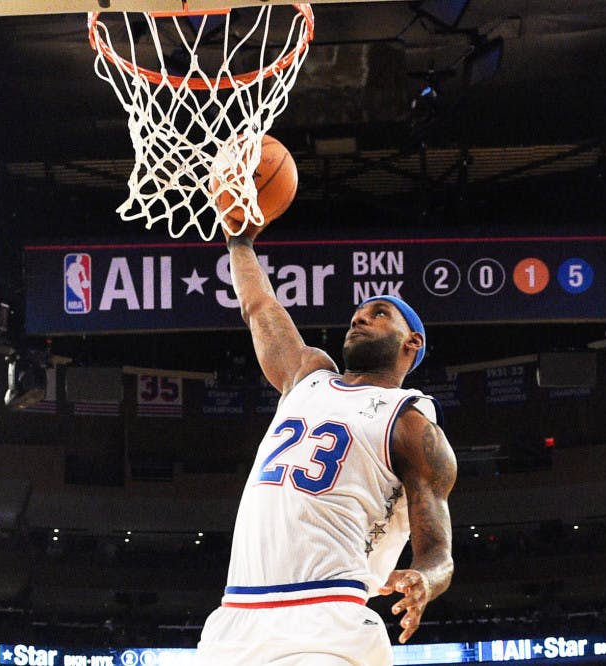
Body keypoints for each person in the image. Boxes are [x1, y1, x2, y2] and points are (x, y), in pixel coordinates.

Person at [195, 219, 457, 665]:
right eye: (359, 313)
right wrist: (239, 241)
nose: (360, 317)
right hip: (236, 619)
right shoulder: (307, 375)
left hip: (327, 623)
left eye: (379, 315)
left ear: (411, 343)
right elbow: (259, 306)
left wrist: (426, 580)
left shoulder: (411, 423)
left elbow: (438, 551)